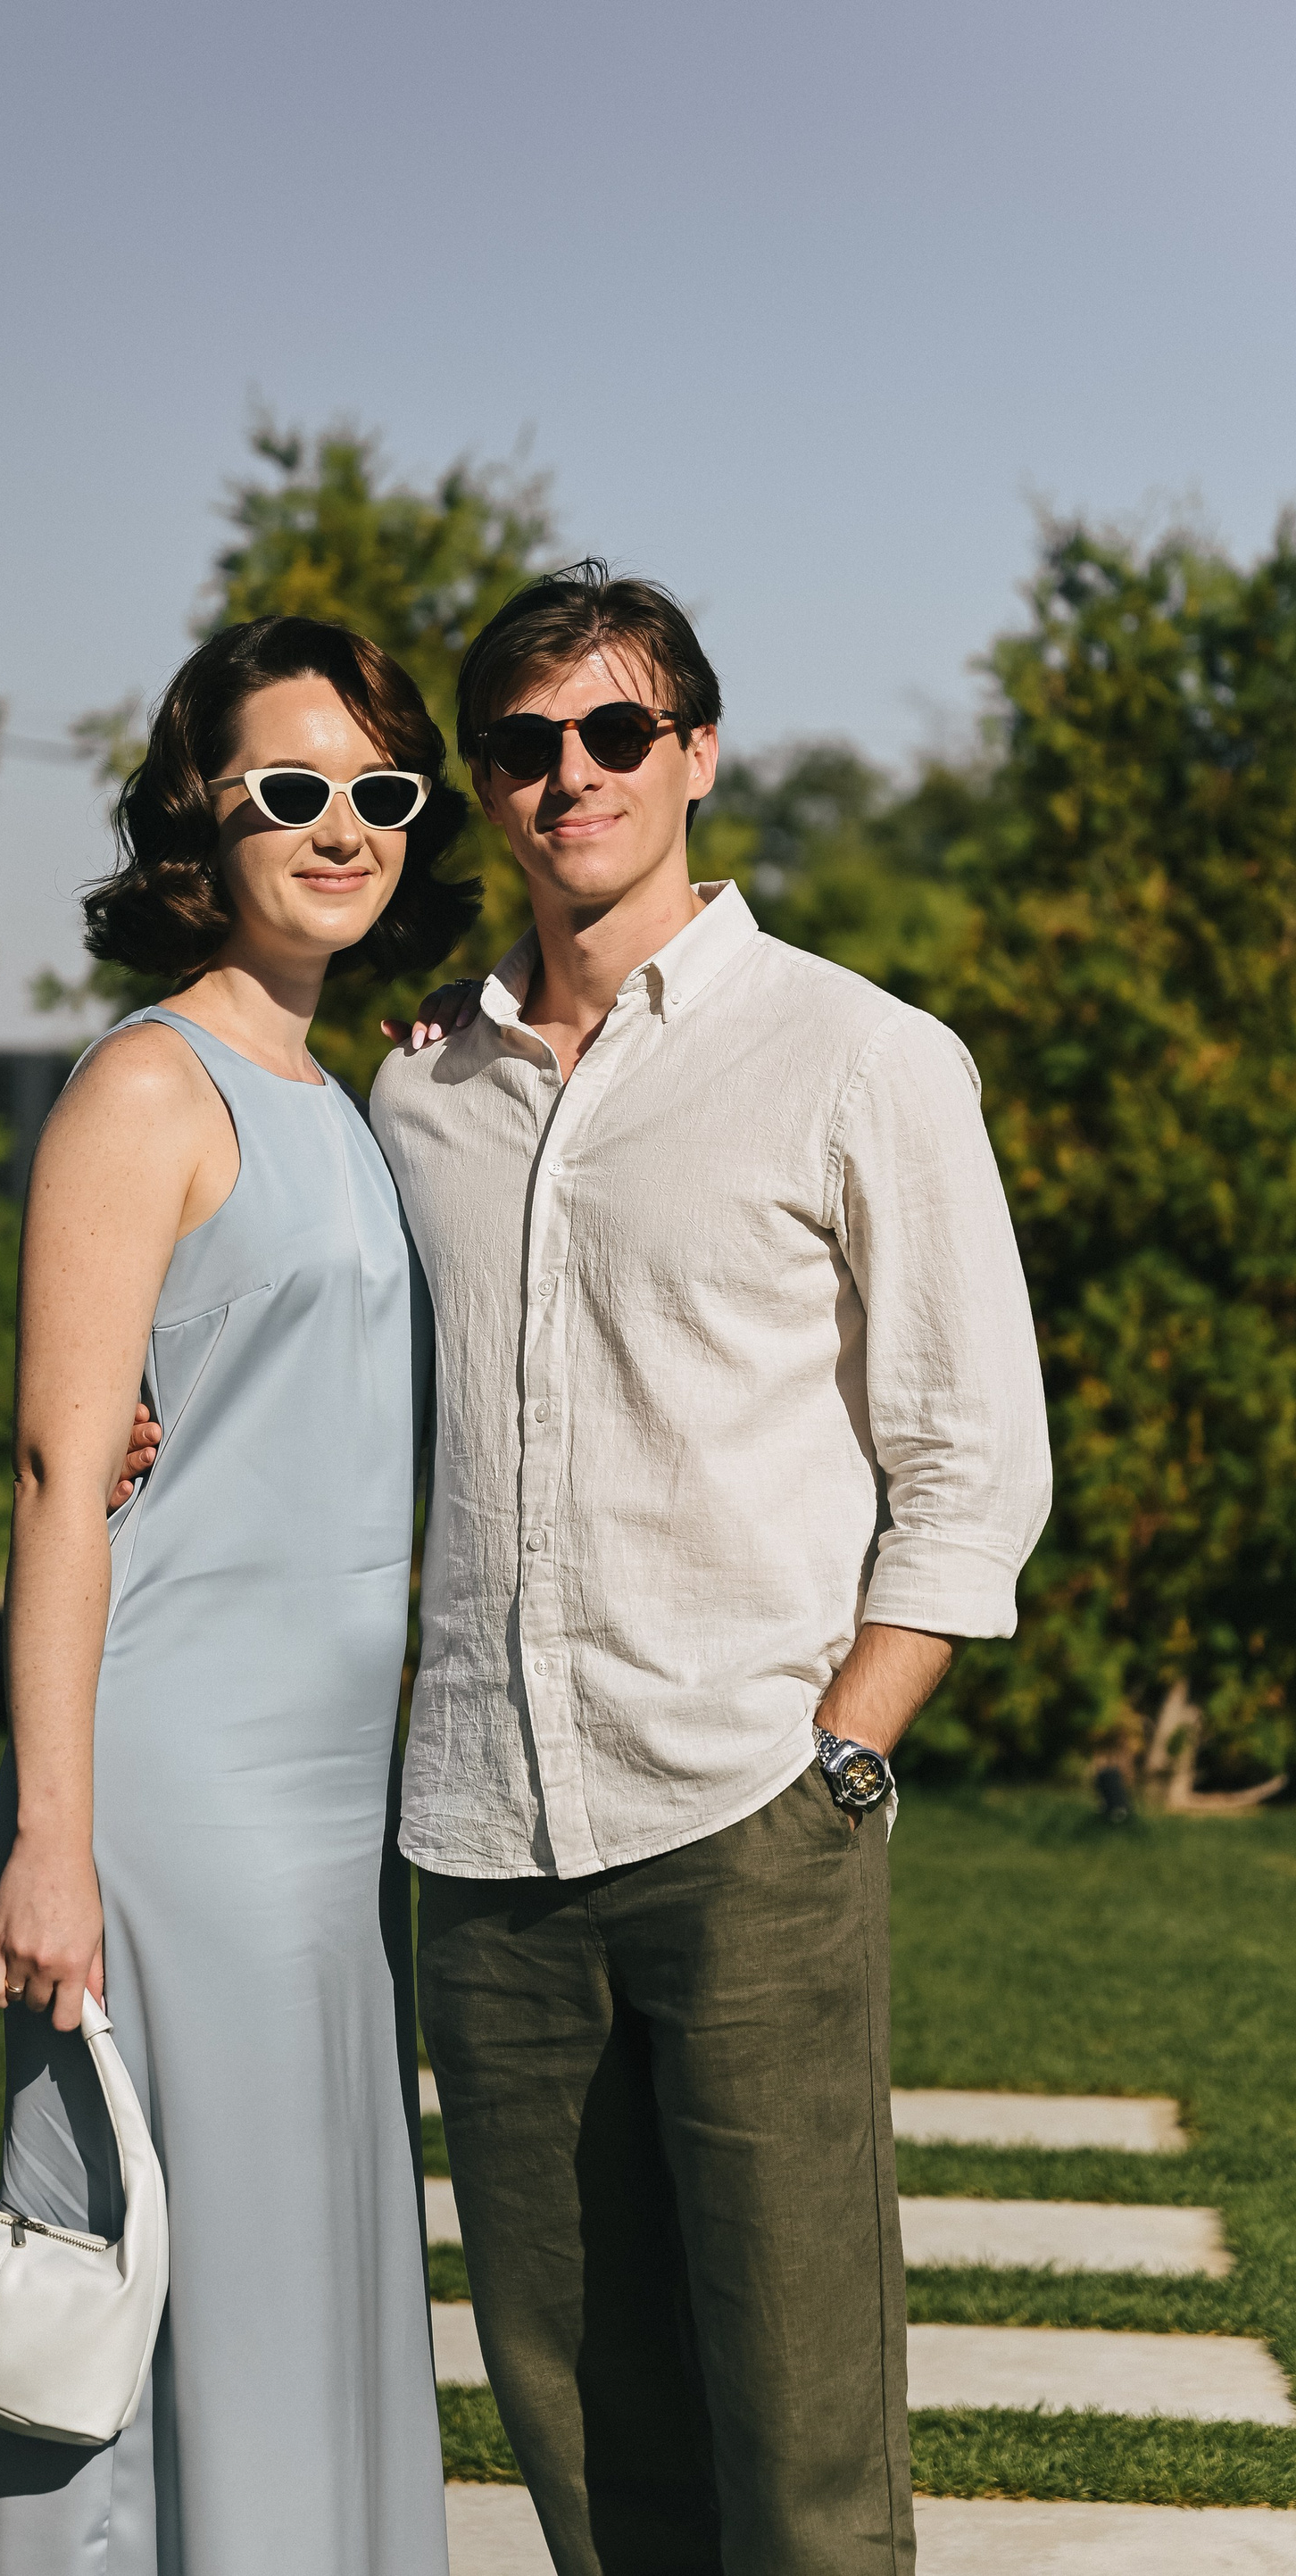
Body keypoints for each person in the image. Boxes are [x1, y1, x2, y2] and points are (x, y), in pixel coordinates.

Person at [366, 564, 1054, 2575]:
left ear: (697, 757)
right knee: (587, 2440)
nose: (569, 774)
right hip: (484, 1842)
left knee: (805, 2445)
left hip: (751, 1813)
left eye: (614, 731)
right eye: (524, 743)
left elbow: (972, 1458)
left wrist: (843, 1751)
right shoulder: (417, 1088)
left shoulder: (857, 1054)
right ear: (483, 783)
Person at [0, 614, 470, 2574]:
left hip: (335, 1804)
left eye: (380, 790)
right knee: (187, 2295)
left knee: (307, 2284)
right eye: (291, 788)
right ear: (205, 815)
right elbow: (56, 1475)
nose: (343, 827)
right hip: (177, 1792)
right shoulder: (148, 1086)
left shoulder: (344, 1095)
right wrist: (53, 1838)